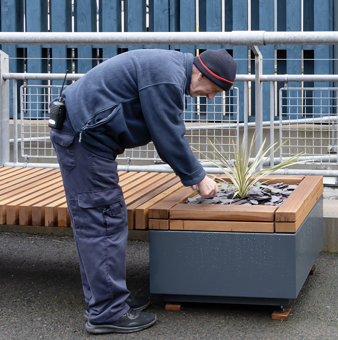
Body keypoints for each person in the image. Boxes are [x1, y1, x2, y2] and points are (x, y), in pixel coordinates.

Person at [49, 48, 237, 334]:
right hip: (83, 139)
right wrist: (199, 178)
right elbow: (167, 134)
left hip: (85, 135)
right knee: (103, 221)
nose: (211, 97)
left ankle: (108, 300)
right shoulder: (165, 77)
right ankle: (107, 312)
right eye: (213, 89)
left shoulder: (171, 69)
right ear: (201, 73)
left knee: (101, 220)